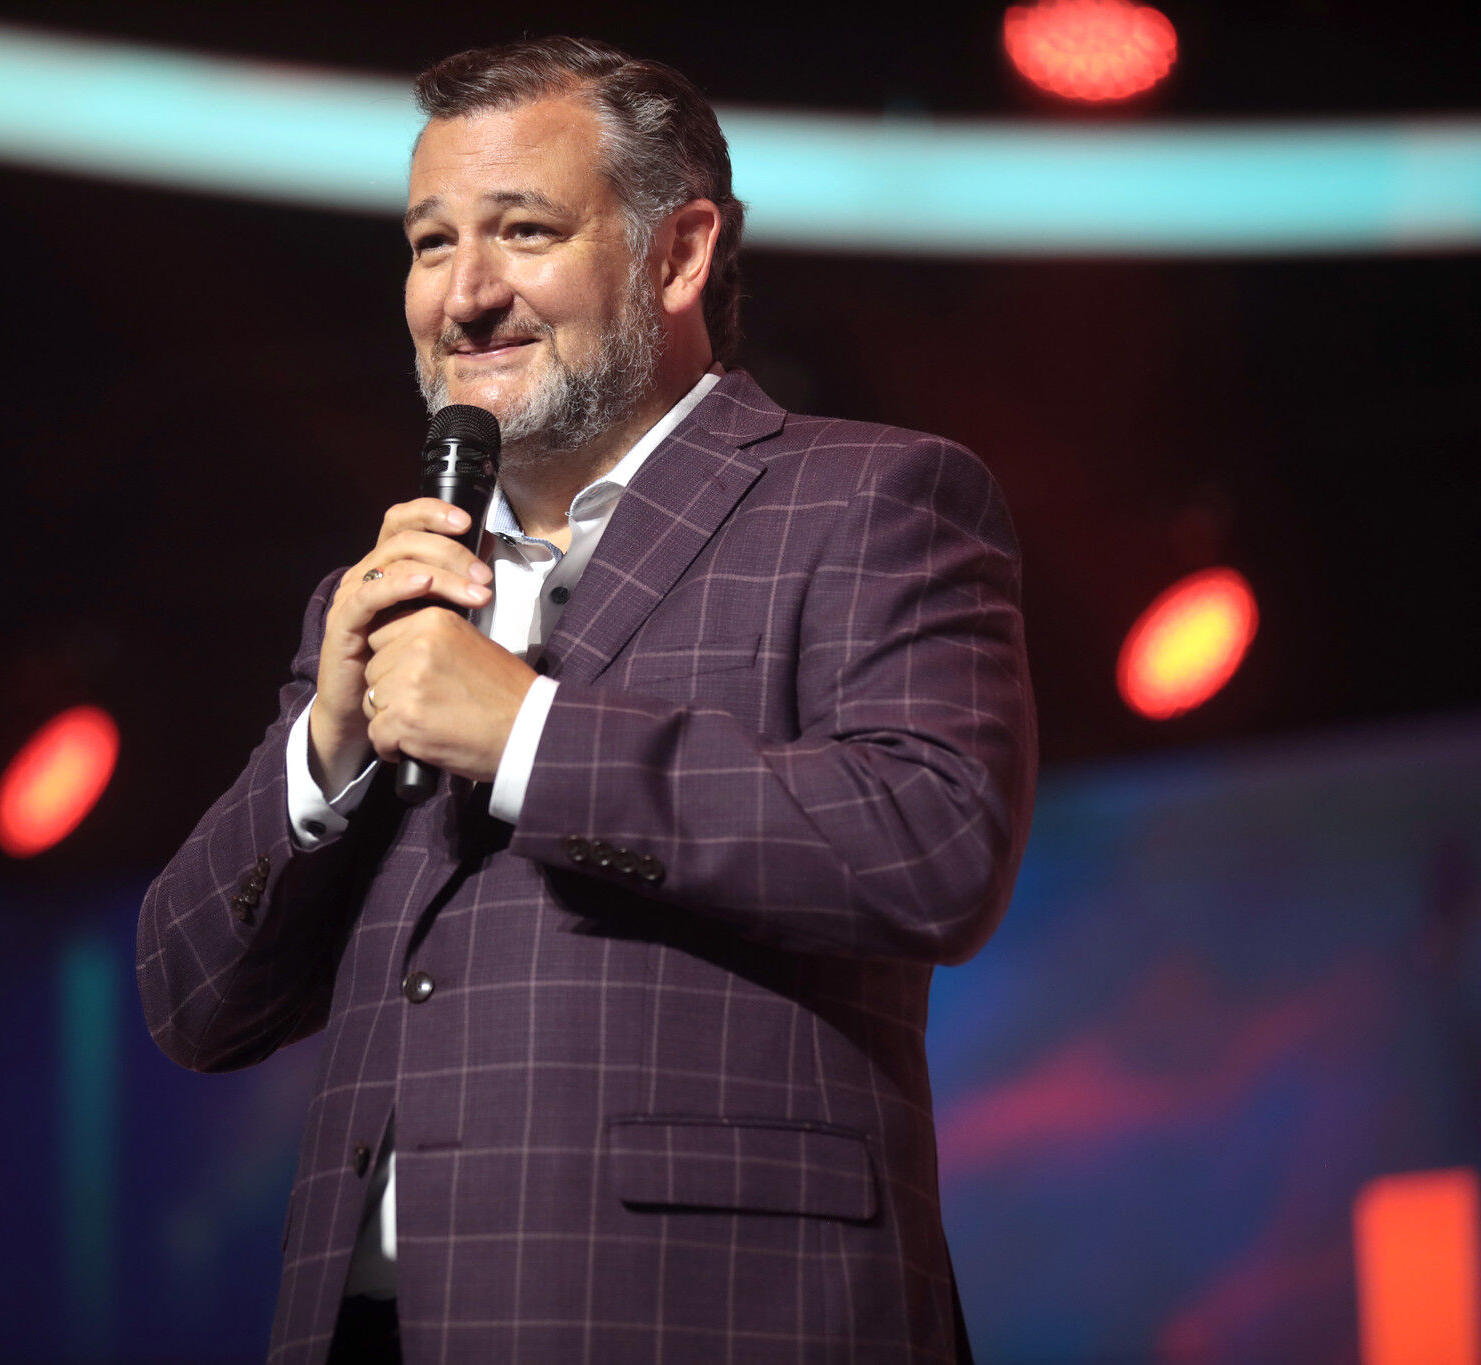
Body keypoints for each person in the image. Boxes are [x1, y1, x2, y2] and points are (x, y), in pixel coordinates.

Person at [137, 36, 1036, 1364]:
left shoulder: (869, 497)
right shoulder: (380, 594)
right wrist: (321, 749)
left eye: (524, 232)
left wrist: (526, 736)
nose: (466, 294)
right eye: (431, 243)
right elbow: (190, 999)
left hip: (711, 1310)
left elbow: (933, 840)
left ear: (677, 254)